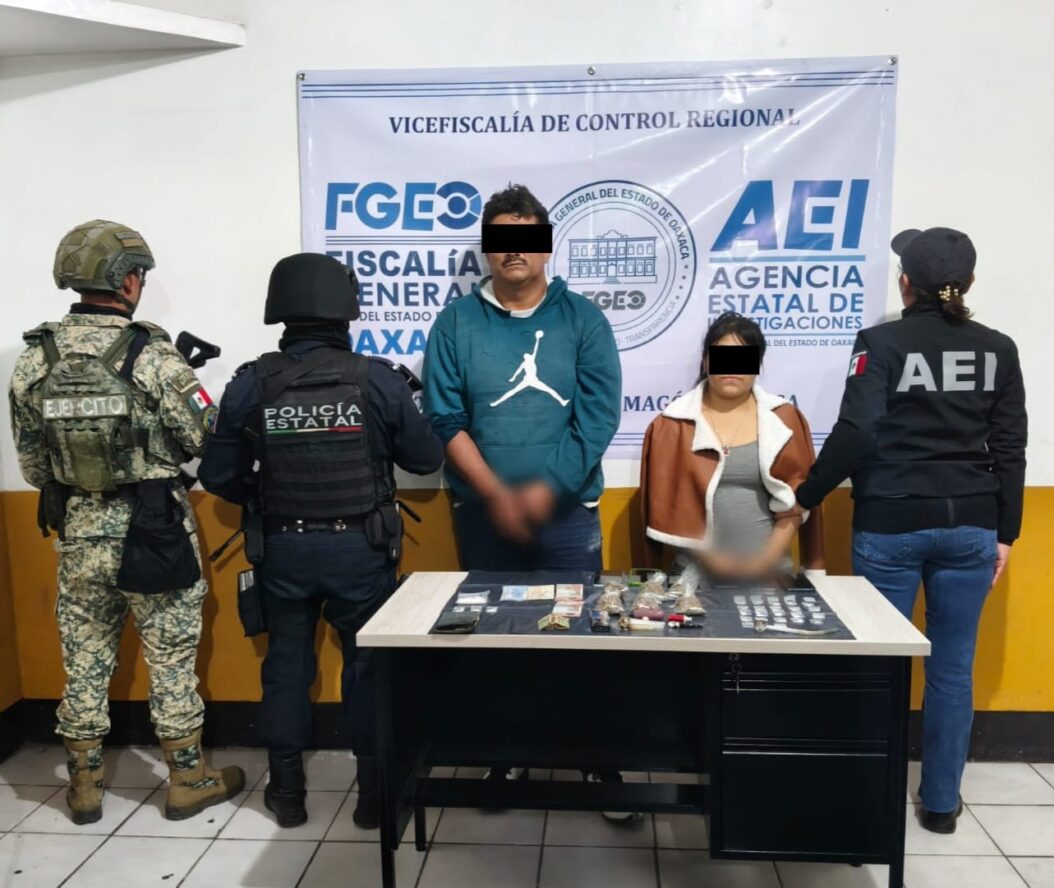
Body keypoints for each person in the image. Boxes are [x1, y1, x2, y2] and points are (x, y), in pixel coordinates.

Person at [8, 219, 245, 825]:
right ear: (128, 281)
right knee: (171, 655)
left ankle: (84, 786)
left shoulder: (35, 358)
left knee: (84, 655)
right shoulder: (155, 356)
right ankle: (187, 779)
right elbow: (205, 438)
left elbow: (34, 468)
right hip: (155, 529)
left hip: (80, 531)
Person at [198, 253, 443, 830]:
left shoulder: (251, 382)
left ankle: (287, 794)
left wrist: (264, 492)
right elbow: (425, 458)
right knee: (366, 668)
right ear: (345, 309)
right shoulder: (375, 378)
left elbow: (216, 475)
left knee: (286, 666)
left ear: (279, 308)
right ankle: (374, 798)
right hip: (361, 549)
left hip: (282, 550)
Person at [795, 227, 1027, 834]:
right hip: (971, 524)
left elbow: (858, 432)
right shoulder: (998, 349)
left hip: (892, 523)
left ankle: (868, 801)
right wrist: (1006, 532)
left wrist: (806, 497)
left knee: (880, 667)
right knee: (952, 671)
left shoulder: (881, 343)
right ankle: (941, 806)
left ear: (905, 284)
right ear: (967, 283)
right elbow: (1010, 446)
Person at [422, 183, 626, 812]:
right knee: (495, 638)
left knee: (579, 638)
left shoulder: (583, 319)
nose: (514, 251)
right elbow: (445, 419)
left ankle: (595, 760)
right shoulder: (455, 323)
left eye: (526, 238)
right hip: (484, 517)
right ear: (487, 249)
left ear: (546, 246)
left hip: (567, 519)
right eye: (502, 239)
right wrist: (497, 496)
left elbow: (597, 418)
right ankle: (506, 754)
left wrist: (542, 493)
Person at [640, 312, 824, 577]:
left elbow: (796, 502)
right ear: (706, 361)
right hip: (693, 579)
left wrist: (762, 562)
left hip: (770, 574)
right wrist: (718, 562)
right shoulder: (671, 425)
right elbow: (671, 508)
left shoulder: (784, 419)